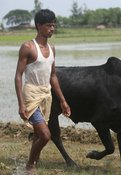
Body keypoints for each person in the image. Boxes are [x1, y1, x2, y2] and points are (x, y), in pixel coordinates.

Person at [14, 9, 71, 173]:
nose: (52, 28)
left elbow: (53, 76)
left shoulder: (52, 48)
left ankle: (32, 168)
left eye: (53, 25)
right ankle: (30, 165)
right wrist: (20, 104)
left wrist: (62, 100)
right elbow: (18, 76)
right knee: (46, 135)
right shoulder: (27, 47)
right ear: (38, 26)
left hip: (46, 95)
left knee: (38, 135)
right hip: (31, 95)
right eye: (48, 25)